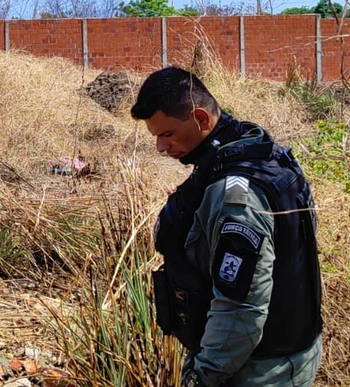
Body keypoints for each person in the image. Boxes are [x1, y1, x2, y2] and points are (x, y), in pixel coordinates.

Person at [131, 67, 322, 387]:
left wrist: (202, 376)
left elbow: (241, 309)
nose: (161, 148)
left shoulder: (236, 196)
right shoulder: (246, 148)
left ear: (201, 119)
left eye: (166, 134)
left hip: (259, 370)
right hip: (272, 359)